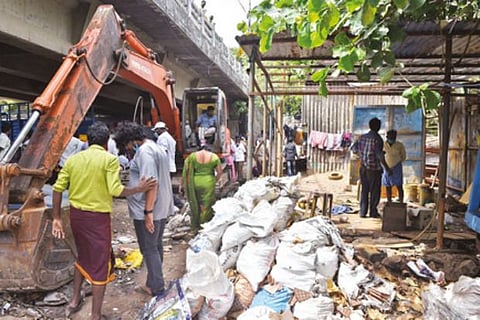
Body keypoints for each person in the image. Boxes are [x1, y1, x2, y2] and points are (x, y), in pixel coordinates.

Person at [51, 122, 156, 320]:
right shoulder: (109, 160)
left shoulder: (74, 160)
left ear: (88, 140)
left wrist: (56, 218)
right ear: (107, 142)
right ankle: (96, 316)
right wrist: (138, 189)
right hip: (97, 219)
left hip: (77, 217)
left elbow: (57, 188)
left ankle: (74, 301)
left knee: (82, 257)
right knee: (100, 266)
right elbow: (115, 190)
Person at [114, 121, 174, 297]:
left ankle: (156, 287)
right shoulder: (155, 148)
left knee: (149, 248)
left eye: (126, 145)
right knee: (155, 246)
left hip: (148, 209)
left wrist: (148, 213)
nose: (128, 149)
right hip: (160, 206)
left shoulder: (145, 153)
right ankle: (153, 282)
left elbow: (151, 184)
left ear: (132, 140)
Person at [351, 117, 392, 218]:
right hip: (374, 170)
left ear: (370, 126)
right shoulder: (378, 139)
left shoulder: (362, 137)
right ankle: (373, 212)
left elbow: (354, 149)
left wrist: (362, 154)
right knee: (374, 191)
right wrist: (387, 168)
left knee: (364, 190)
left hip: (363, 168)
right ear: (378, 127)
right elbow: (379, 156)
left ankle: (363, 212)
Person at [180, 143, 222, 233]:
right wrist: (215, 180)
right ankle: (203, 225)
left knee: (196, 203)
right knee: (206, 205)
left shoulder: (192, 157)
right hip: (208, 182)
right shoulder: (214, 157)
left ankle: (195, 226)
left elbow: (186, 171)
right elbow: (219, 172)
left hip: (195, 182)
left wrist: (181, 184)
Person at [382, 129, 407, 203]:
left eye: (394, 137)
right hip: (386, 167)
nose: (392, 139)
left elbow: (403, 157)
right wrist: (386, 167)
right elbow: (380, 156)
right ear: (387, 137)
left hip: (397, 167)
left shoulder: (399, 145)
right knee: (388, 186)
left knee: (399, 185)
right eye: (391, 137)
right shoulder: (383, 145)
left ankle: (401, 202)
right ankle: (389, 201)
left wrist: (396, 163)